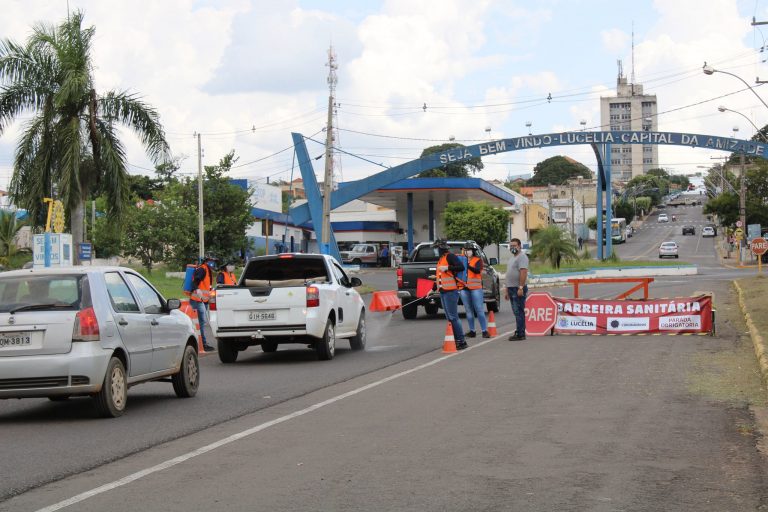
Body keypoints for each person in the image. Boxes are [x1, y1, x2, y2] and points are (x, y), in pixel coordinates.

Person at [434, 240, 468, 350]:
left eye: (437, 248)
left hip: (451, 291)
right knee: (449, 317)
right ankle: (455, 339)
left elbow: (461, 267)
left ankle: (461, 341)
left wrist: (448, 268)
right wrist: (433, 289)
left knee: (453, 317)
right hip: (443, 291)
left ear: (441, 248)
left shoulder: (450, 256)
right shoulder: (441, 259)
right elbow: (440, 276)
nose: (436, 251)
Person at [459, 243, 490, 339]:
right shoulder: (461, 260)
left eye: (469, 250)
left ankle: (484, 331)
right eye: (466, 250)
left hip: (476, 288)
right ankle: (472, 331)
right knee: (468, 310)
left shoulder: (478, 260)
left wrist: (467, 265)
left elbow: (477, 271)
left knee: (479, 309)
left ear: (473, 251)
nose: (467, 251)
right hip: (464, 288)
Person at [190, 255, 217, 352]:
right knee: (201, 322)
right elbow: (194, 282)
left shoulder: (208, 270)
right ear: (206, 261)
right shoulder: (202, 269)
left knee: (201, 322)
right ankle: (202, 344)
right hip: (197, 299)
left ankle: (201, 343)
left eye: (214, 261)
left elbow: (206, 287)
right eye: (211, 261)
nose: (213, 263)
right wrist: (197, 289)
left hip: (204, 300)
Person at [504, 238, 529, 341]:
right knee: (516, 311)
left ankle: (520, 333)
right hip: (511, 288)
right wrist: (506, 290)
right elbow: (508, 275)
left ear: (519, 246)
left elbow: (523, 272)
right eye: (511, 246)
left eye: (514, 245)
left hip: (517, 288)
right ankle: (519, 330)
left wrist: (520, 287)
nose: (512, 248)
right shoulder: (512, 259)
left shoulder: (522, 257)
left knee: (519, 311)